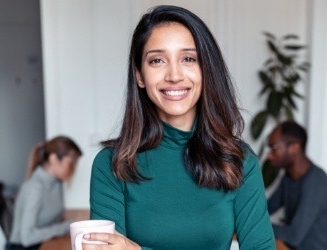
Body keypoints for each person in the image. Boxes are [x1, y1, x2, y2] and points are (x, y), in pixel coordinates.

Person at [87, 5, 275, 250]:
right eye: (157, 60)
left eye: (188, 59)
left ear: (206, 69)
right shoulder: (112, 164)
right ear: (140, 76)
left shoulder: (238, 160)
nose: (174, 75)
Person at [267, 120, 327, 250]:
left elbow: (294, 235)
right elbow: (265, 208)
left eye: (274, 148)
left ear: (294, 147)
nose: (269, 155)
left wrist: (252, 225)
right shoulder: (288, 178)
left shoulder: (316, 181)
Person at [7, 136, 82, 250]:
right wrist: (67, 226)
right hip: (22, 247)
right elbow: (26, 238)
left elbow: (56, 219)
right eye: (71, 163)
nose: (73, 169)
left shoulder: (57, 182)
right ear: (53, 159)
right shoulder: (34, 188)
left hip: (42, 243)